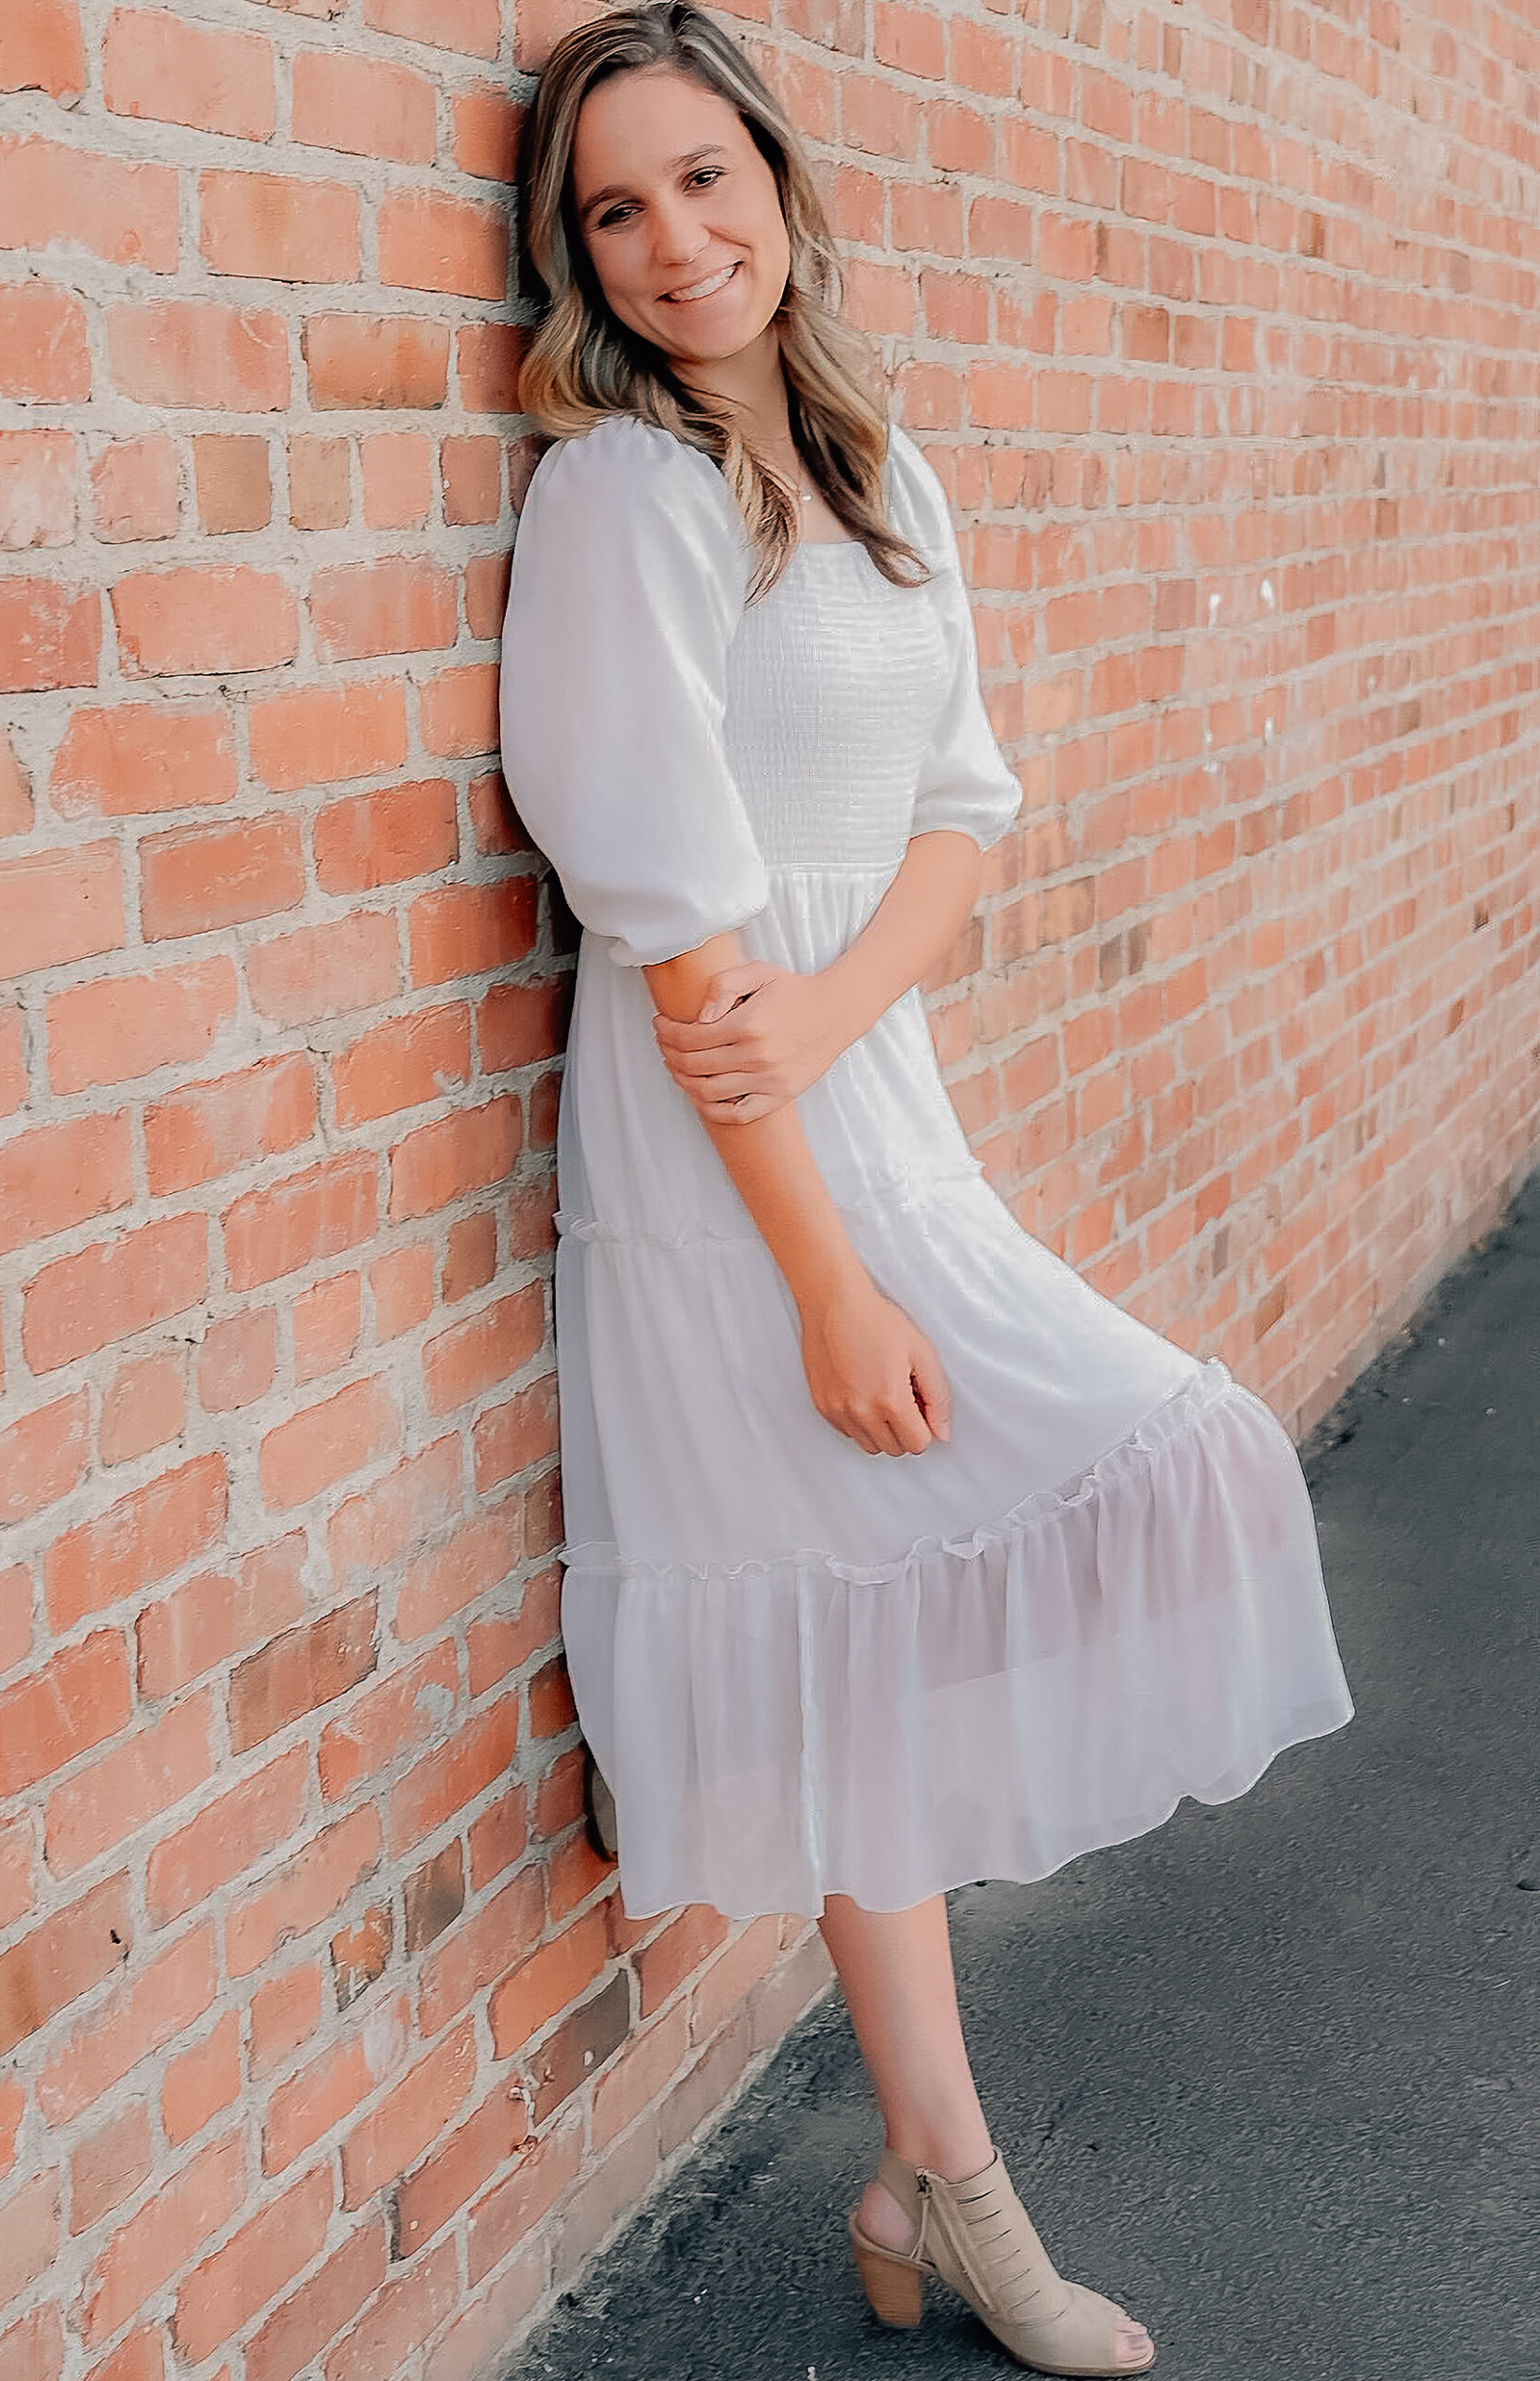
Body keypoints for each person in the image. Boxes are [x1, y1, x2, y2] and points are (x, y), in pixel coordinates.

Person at [498, 7, 1354, 2372]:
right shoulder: (621, 501)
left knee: (1127, 1490)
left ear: (777, 171)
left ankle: (916, 2169)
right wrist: (819, 1287)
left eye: (702, 177)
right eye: (614, 207)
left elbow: (963, 810)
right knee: (906, 1600)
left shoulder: (877, 471)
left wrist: (852, 997)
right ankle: (957, 2190)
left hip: (870, 1096)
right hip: (725, 1180)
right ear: (573, 254)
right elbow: (681, 952)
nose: (674, 240)